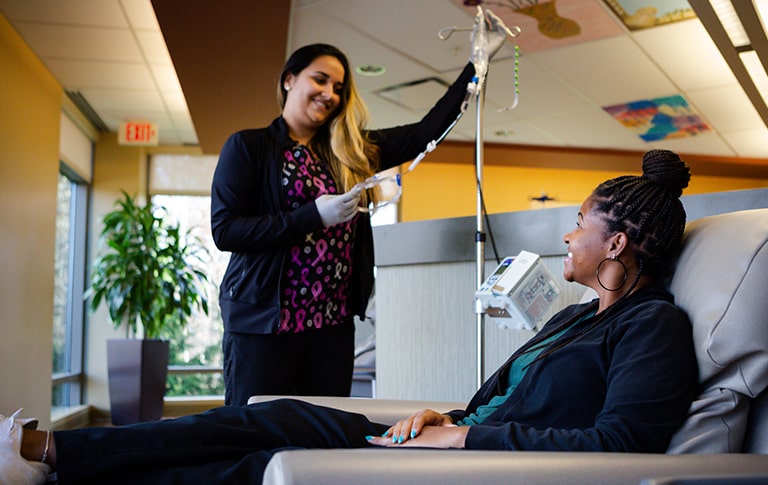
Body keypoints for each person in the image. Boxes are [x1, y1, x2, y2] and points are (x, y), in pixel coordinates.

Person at [2, 149, 698, 484]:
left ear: (616, 243)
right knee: (263, 415)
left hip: (474, 466)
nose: (567, 238)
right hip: (450, 438)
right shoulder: (577, 317)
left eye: (580, 225)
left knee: (262, 462)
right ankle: (64, 451)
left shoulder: (652, 327)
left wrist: (465, 444)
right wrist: (442, 416)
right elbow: (503, 400)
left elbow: (624, 441)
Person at [210, 10, 509, 405]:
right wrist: (312, 216)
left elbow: (425, 131)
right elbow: (226, 231)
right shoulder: (249, 147)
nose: (330, 94)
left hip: (330, 329)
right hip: (266, 327)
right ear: (289, 80)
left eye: (338, 87)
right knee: (256, 433)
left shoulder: (349, 152)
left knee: (322, 437)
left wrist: (477, 63)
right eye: (320, 79)